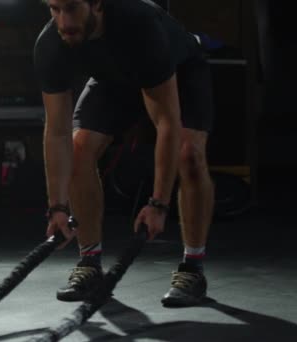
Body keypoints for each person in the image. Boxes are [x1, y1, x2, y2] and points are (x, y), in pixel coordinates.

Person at [34, 0, 215, 307]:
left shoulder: (139, 25)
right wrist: (58, 206)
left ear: (96, 4)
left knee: (189, 156)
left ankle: (193, 269)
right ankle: (90, 265)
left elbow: (167, 123)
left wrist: (158, 204)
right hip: (115, 81)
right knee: (79, 148)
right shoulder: (51, 43)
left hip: (178, 74)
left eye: (71, 8)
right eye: (54, 9)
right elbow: (57, 132)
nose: (63, 21)